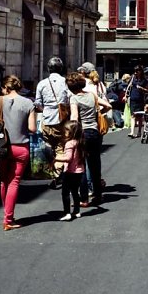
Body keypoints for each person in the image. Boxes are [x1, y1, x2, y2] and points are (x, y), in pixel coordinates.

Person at [0, 75, 37, 231]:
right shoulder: (28, 103)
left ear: (5, 88)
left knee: (4, 180)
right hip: (20, 147)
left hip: (2, 147)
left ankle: (7, 214)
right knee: (14, 181)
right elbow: (32, 129)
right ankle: (8, 219)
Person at [67, 71, 111, 207]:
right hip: (95, 132)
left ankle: (84, 198)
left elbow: (74, 117)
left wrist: (70, 132)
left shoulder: (74, 98)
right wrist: (98, 114)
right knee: (95, 165)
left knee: (81, 165)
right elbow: (109, 106)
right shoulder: (92, 95)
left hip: (82, 132)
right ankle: (98, 195)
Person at [35, 57, 70, 184]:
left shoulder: (42, 83)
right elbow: (69, 99)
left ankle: (54, 169)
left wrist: (45, 110)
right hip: (61, 119)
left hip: (47, 119)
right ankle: (58, 172)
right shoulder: (65, 82)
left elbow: (37, 103)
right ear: (61, 68)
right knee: (61, 146)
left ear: (48, 68)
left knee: (48, 145)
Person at [55, 120, 86, 221]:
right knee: (75, 192)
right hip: (79, 172)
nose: (65, 132)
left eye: (66, 130)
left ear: (71, 132)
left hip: (70, 172)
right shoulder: (80, 142)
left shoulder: (69, 143)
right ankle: (76, 211)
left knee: (65, 192)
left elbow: (68, 158)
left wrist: (56, 158)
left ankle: (67, 212)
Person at [127, 65, 148, 138]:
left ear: (141, 71)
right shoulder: (133, 78)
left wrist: (141, 88)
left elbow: (147, 90)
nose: (136, 72)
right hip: (133, 98)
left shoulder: (144, 80)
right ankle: (132, 132)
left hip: (140, 99)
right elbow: (128, 86)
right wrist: (126, 96)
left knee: (139, 117)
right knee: (133, 115)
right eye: (135, 71)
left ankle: (139, 131)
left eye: (137, 71)